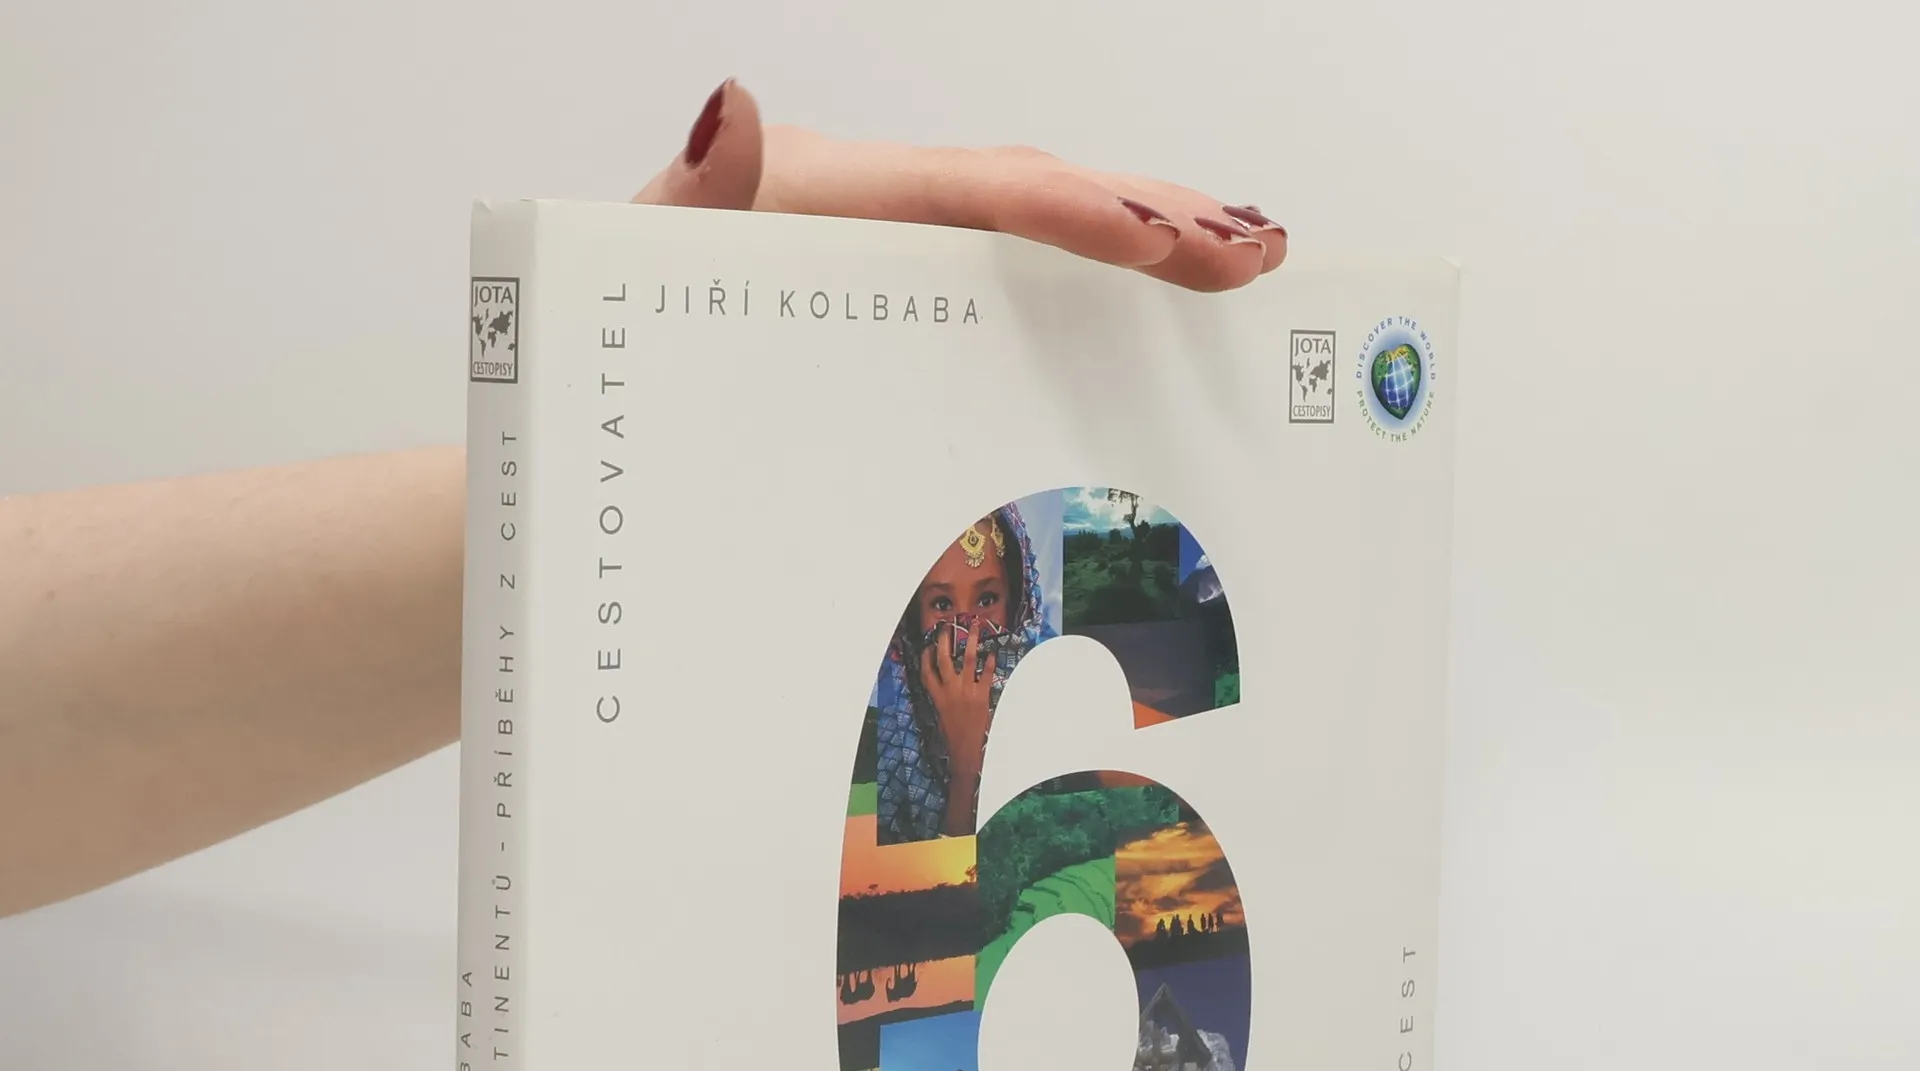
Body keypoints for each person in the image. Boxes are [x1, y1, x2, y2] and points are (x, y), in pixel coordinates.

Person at [0, 79, 1285, 919]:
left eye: (986, 600)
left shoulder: (1053, 730)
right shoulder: (878, 735)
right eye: (941, 604)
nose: (962, 630)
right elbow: (913, 943)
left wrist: (582, 476)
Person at [877, 502, 1050, 842]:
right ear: (911, 619)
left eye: (987, 600)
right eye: (942, 605)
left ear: (1017, 604)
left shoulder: (1052, 700)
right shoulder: (885, 732)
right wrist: (965, 768)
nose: (969, 633)